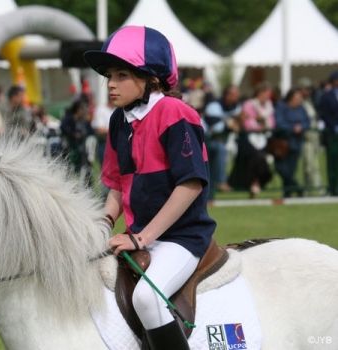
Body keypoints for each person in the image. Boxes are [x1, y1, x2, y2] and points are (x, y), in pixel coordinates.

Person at [84, 25, 216, 350]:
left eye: (121, 75)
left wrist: (141, 237)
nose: (111, 84)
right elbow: (116, 184)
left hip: (182, 239)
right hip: (139, 234)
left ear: (151, 79)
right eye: (109, 76)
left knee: (146, 298)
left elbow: (191, 184)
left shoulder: (175, 113)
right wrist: (101, 225)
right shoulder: (119, 120)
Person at [228, 82, 274, 198]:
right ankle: (255, 183)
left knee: (261, 159)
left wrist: (262, 123)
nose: (268, 97)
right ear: (260, 93)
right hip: (248, 139)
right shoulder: (249, 105)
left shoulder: (269, 106)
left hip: (264, 139)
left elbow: (271, 124)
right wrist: (261, 124)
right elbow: (248, 124)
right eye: (266, 94)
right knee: (257, 158)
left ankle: (256, 183)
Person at [203, 85, 242, 197]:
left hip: (224, 140)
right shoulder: (214, 106)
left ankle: (214, 190)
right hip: (207, 139)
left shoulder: (236, 107)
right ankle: (221, 181)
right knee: (220, 150)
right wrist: (229, 124)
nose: (236, 97)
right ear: (227, 95)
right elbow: (215, 128)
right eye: (234, 95)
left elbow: (239, 123)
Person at [274, 88, 310, 198]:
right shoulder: (281, 107)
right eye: (297, 98)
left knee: (291, 169)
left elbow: (307, 121)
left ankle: (287, 193)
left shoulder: (301, 109)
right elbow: (279, 122)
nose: (299, 100)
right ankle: (297, 188)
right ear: (291, 98)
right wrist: (292, 128)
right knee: (280, 168)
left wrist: (301, 127)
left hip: (296, 142)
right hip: (282, 143)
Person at [298, 78, 323, 195]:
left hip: (314, 135)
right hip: (305, 137)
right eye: (305, 89)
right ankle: (309, 188)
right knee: (308, 164)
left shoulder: (311, 101)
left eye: (309, 89)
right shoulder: (299, 102)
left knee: (315, 163)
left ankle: (316, 187)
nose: (308, 91)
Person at [319, 71, 338, 196]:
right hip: (333, 133)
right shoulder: (326, 96)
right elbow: (324, 114)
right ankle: (333, 187)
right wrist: (334, 126)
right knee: (333, 161)